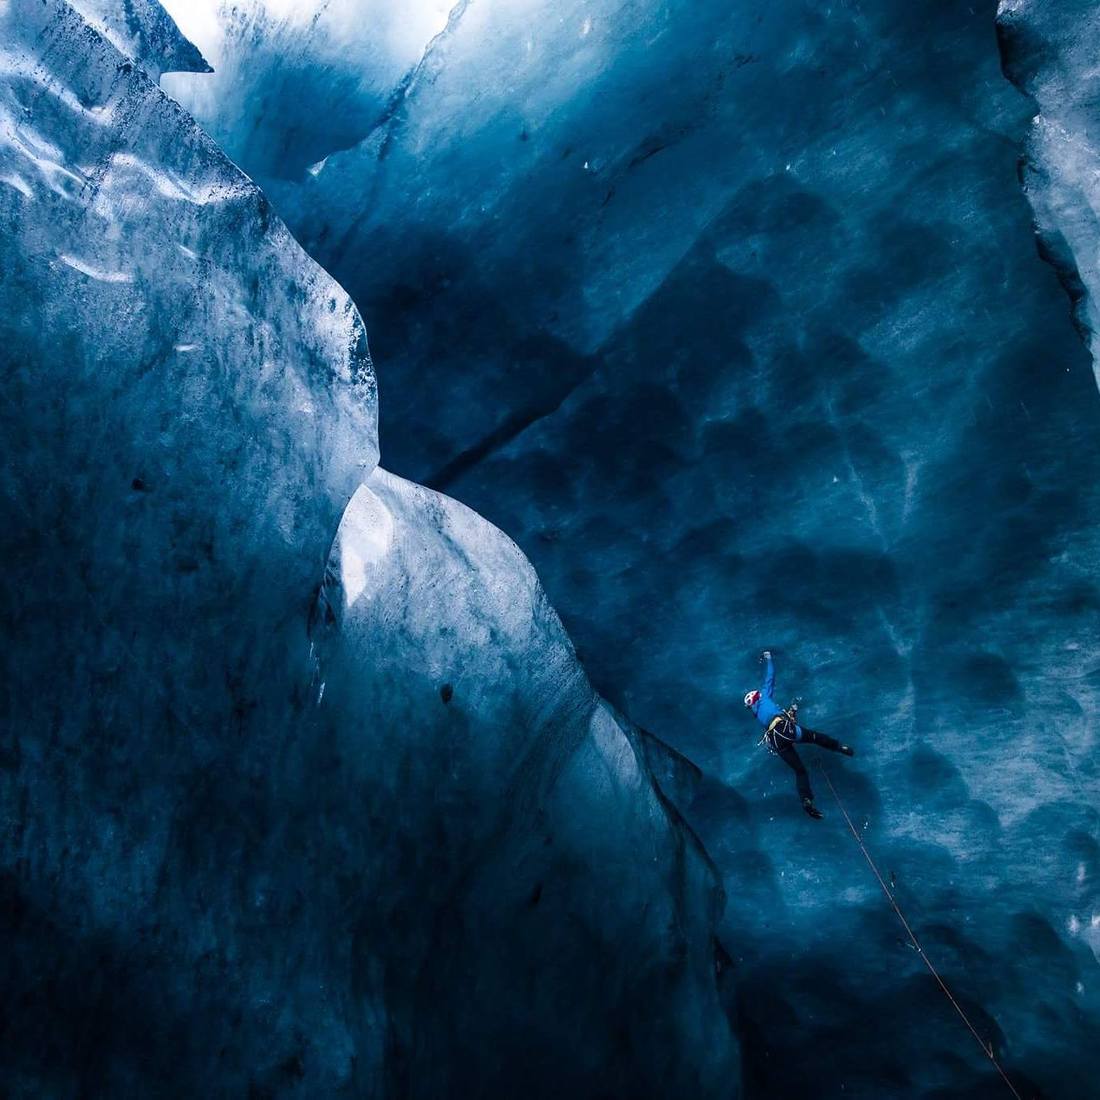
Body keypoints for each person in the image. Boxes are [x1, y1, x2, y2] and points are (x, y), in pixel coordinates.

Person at [744, 650, 854, 819]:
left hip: (774, 739)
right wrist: (769, 658)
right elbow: (770, 677)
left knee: (800, 771)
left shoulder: (756, 713)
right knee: (815, 737)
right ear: (758, 696)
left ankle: (806, 801)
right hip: (784, 729)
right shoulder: (764, 696)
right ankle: (841, 747)